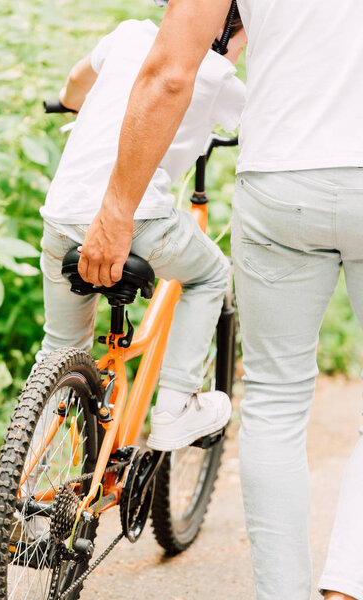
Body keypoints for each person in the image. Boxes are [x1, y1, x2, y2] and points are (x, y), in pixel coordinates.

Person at [80, 0, 363, 599]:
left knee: (275, 404)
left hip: (282, 176)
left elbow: (171, 72)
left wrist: (117, 208)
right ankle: (347, 585)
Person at [38, 13, 247, 451]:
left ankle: (30, 471)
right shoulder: (219, 74)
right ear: (231, 30)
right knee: (211, 274)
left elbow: (77, 84)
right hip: (139, 220)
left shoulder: (129, 32)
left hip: (61, 217)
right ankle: (176, 405)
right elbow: (252, 122)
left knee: (59, 349)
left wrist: (71, 102)